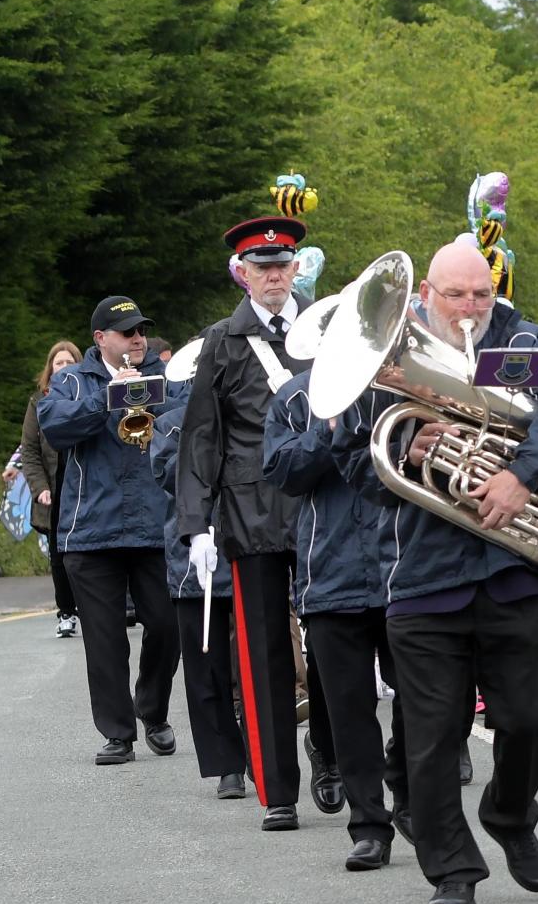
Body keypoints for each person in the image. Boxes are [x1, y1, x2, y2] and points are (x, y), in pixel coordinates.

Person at [330, 237, 538, 904]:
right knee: (430, 739)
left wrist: (521, 474)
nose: (472, 307)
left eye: (482, 293)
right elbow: (354, 470)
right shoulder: (386, 352)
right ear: (427, 293)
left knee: (530, 720)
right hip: (425, 579)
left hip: (516, 571)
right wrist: (404, 446)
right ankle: (452, 870)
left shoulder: (520, 337)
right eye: (457, 295)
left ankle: (510, 814)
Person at [175, 216, 315, 829]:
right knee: (262, 658)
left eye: (283, 264)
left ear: (295, 268)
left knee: (337, 642)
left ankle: (332, 754)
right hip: (251, 510)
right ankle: (278, 788)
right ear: (243, 274)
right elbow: (201, 436)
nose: (274, 275)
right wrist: (195, 524)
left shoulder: (324, 330)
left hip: (318, 507)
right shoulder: (222, 342)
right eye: (262, 267)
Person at [266, 368, 406, 869]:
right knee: (350, 712)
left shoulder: (404, 381)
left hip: (404, 568)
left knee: (423, 697)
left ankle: (407, 784)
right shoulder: (296, 395)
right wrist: (325, 430)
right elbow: (281, 470)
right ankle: (369, 826)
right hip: (329, 574)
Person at [35, 296, 181, 764]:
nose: (137, 339)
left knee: (165, 624)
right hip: (91, 532)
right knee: (105, 638)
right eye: (127, 332)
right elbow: (53, 426)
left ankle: (153, 711)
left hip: (153, 528)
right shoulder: (72, 381)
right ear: (100, 340)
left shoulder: (161, 377)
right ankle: (118, 733)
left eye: (142, 331)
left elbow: (190, 418)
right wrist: (108, 397)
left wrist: (158, 407)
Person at [149, 350, 247, 799]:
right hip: (195, 561)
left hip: (247, 549)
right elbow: (172, 476)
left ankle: (259, 751)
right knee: (205, 670)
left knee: (252, 667)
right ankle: (226, 763)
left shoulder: (244, 412)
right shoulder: (169, 422)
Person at [18, 340, 82, 638]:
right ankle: (66, 611)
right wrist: (40, 488)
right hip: (54, 493)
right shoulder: (38, 402)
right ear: (50, 368)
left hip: (84, 490)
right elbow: (29, 450)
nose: (64, 368)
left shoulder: (88, 396)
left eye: (70, 362)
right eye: (59, 363)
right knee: (58, 556)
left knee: (87, 554)